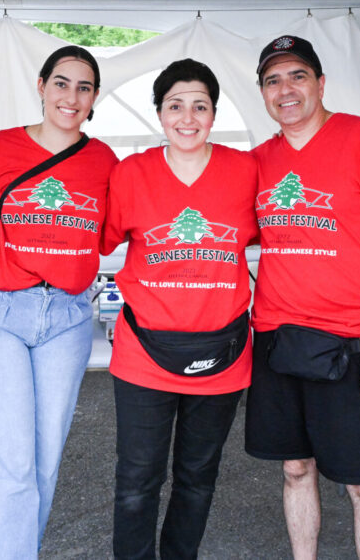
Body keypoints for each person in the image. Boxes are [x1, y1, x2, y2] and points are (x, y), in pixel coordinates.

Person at [245, 35, 360, 559]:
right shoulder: (257, 161)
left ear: (321, 83)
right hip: (276, 337)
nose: (285, 89)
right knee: (296, 469)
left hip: (350, 343)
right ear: (263, 93)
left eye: (297, 75)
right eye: (273, 80)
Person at [0, 45, 118, 559]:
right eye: (62, 83)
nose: (71, 97)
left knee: (45, 459)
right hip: (1, 310)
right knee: (10, 458)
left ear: (94, 97)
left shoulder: (103, 162)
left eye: (84, 87)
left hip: (68, 317)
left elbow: (117, 233)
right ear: (41, 86)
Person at [102, 58, 258, 559]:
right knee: (137, 480)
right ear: (159, 112)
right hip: (144, 355)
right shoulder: (130, 174)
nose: (187, 118)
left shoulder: (245, 170)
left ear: (213, 113)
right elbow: (93, 239)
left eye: (200, 106)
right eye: (175, 105)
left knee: (197, 479)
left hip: (224, 355)